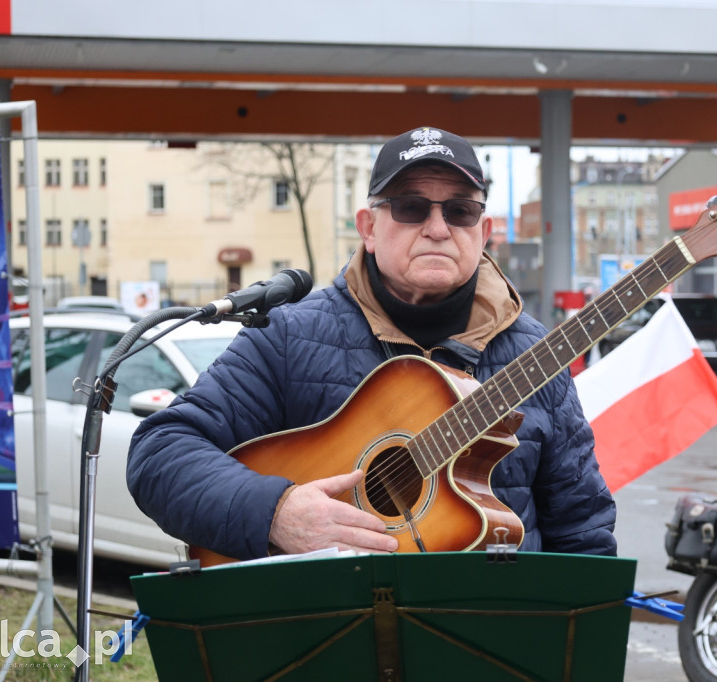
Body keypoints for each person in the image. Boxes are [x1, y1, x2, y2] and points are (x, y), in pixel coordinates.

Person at [127, 126, 617, 559]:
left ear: (483, 232)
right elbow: (161, 452)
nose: (438, 228)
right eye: (411, 207)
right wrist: (275, 515)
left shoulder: (538, 355)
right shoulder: (292, 337)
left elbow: (583, 527)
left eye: (460, 211)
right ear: (369, 229)